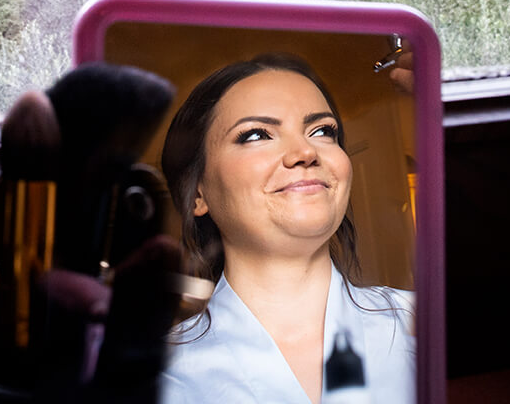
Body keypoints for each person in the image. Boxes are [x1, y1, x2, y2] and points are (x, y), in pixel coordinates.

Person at [158, 54, 414, 404]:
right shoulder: (154, 375)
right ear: (197, 194)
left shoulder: (425, 326)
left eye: (323, 131)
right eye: (255, 135)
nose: (305, 151)